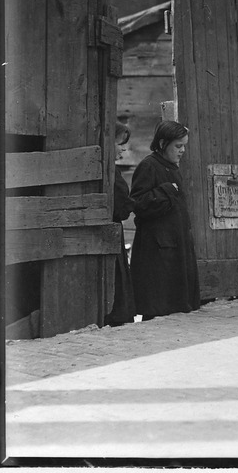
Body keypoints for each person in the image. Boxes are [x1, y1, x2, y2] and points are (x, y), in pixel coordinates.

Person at [130, 121, 200, 319]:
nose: (182, 151)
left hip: (174, 246)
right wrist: (167, 190)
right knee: (158, 307)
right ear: (162, 143)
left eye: (184, 146)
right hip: (157, 250)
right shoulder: (149, 166)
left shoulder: (172, 167)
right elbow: (138, 203)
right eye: (178, 146)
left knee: (176, 309)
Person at [104, 122, 137, 327]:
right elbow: (122, 207)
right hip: (112, 231)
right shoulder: (111, 171)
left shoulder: (110, 168)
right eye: (119, 144)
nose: (122, 149)